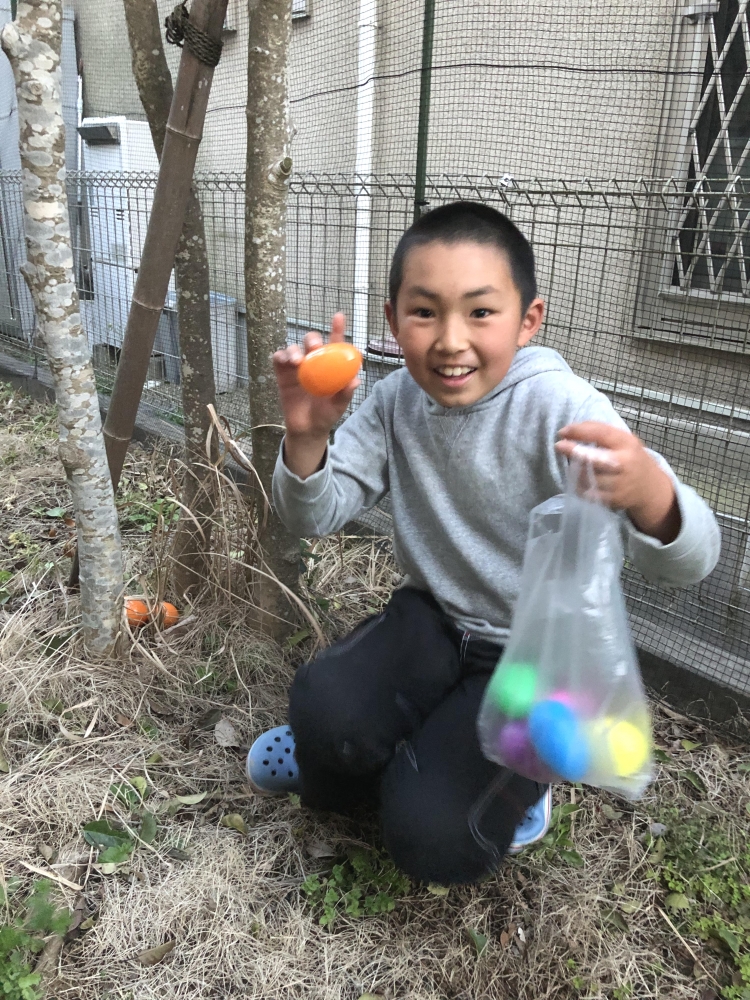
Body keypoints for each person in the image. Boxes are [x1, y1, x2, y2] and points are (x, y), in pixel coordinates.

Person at [245, 202, 721, 886]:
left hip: (534, 653)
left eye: (480, 312)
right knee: (325, 712)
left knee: (435, 837)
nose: (449, 340)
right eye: (425, 311)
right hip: (432, 621)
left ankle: (522, 783)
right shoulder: (395, 400)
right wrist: (308, 436)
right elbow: (310, 517)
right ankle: (354, 754)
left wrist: (651, 494)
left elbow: (694, 559)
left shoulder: (566, 411)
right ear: (392, 320)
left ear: (529, 320)